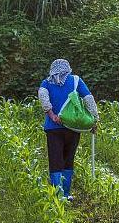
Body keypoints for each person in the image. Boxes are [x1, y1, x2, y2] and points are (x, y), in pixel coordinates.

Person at [37, 59, 98, 200]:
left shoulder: (47, 83)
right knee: (68, 159)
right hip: (73, 127)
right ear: (68, 68)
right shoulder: (75, 81)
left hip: (53, 128)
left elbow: (43, 98)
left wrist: (52, 115)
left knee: (55, 160)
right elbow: (89, 99)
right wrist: (94, 120)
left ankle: (58, 196)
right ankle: (66, 193)